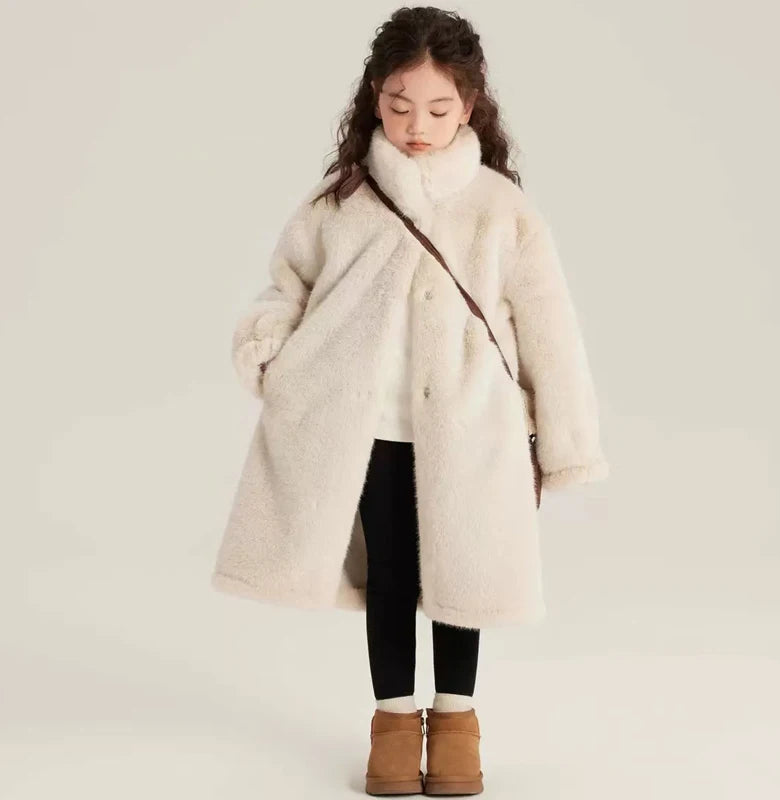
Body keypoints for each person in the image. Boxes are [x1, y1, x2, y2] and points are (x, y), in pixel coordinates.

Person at [212, 7, 609, 796]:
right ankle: (393, 725)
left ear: (469, 105)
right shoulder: (340, 201)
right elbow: (284, 289)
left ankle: (457, 724)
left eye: (436, 108)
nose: (416, 126)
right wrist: (273, 355)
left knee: (466, 578)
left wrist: (565, 438)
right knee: (391, 579)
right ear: (374, 97)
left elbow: (550, 329)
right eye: (399, 106)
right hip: (369, 430)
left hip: (476, 428)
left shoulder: (502, 210)